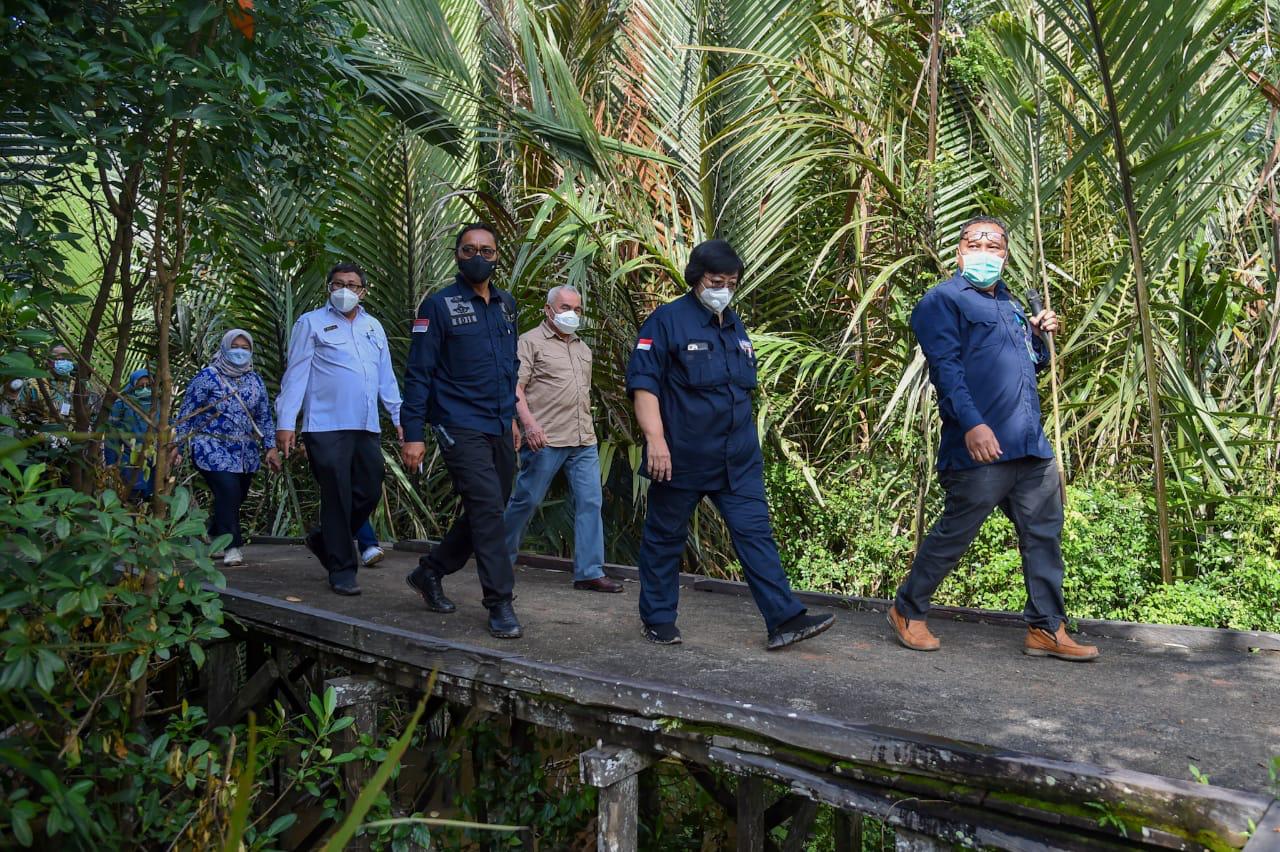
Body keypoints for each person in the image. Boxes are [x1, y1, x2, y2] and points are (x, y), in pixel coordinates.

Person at [887, 216, 1098, 661]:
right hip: (980, 446)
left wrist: (1038, 336)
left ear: (1005, 255)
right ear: (959, 252)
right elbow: (946, 370)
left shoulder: (1010, 303)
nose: (985, 253)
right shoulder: (942, 300)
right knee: (957, 533)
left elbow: (1028, 364)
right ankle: (907, 610)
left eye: (995, 246)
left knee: (1043, 535)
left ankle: (1046, 628)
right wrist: (972, 424)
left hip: (1029, 445)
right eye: (975, 244)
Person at [624, 239, 834, 650]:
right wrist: (656, 441)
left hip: (737, 460)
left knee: (756, 535)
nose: (723, 289)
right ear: (696, 278)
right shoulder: (666, 321)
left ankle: (785, 619)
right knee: (664, 539)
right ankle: (658, 619)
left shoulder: (735, 326)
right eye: (715, 281)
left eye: (731, 283)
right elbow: (644, 385)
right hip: (682, 456)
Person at [401, 223, 524, 639]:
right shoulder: (438, 306)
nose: (479, 257)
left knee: (491, 507)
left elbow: (510, 366)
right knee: (487, 509)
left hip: (498, 423)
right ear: (457, 255)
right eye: (470, 250)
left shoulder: (506, 305)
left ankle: (431, 570)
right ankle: (499, 602)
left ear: (497, 256)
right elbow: (419, 373)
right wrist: (413, 434)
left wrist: (512, 417)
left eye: (487, 251)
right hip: (458, 423)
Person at [276, 262, 403, 595]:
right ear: (329, 288)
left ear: (364, 291)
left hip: (366, 424)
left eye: (352, 285)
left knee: (370, 488)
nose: (345, 290)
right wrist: (286, 422)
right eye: (338, 284)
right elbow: (296, 375)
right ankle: (342, 569)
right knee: (337, 494)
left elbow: (386, 377)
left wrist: (399, 416)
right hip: (325, 425)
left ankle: (325, 539)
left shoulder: (373, 327)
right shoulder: (311, 323)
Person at [502, 285, 622, 593]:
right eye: (565, 308)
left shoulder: (583, 348)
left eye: (577, 309)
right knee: (527, 499)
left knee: (590, 501)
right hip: (545, 438)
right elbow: (515, 388)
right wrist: (528, 425)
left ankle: (589, 572)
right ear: (548, 309)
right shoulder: (529, 342)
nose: (572, 314)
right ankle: (499, 561)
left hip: (583, 439)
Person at [175, 330, 281, 567]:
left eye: (245, 347)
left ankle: (215, 535)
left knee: (236, 495)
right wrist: (177, 447)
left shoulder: (255, 380)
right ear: (224, 348)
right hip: (211, 446)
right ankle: (232, 546)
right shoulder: (207, 377)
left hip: (244, 451)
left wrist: (270, 447)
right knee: (228, 491)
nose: (240, 352)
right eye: (235, 346)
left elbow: (264, 416)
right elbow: (186, 414)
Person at [103, 368, 159, 501]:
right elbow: (111, 435)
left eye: (148, 385)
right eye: (140, 386)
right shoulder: (122, 404)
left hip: (154, 458)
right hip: (130, 458)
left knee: (151, 495)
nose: (145, 389)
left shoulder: (158, 402)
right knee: (132, 494)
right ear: (133, 385)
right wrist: (111, 462)